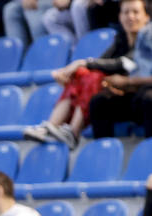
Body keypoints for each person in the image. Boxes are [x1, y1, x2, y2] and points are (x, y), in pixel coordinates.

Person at [27, 0, 150, 147]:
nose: (130, 17)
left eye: (135, 12)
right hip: (124, 94)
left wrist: (83, 63)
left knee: (93, 76)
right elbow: (101, 63)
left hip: (143, 92)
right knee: (91, 89)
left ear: (147, 17)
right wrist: (78, 69)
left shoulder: (148, 38)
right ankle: (56, 127)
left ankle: (72, 131)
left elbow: (127, 63)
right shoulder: (120, 39)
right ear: (119, 16)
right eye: (126, 12)